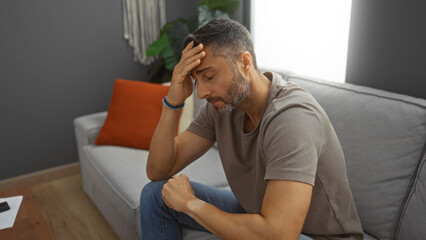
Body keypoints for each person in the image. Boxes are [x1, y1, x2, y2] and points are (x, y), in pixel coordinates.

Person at [140, 18, 364, 240]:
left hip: (313, 235)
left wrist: (191, 204)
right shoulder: (222, 107)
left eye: (209, 76)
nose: (201, 93)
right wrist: (173, 101)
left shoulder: (291, 120)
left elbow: (279, 235)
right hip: (259, 214)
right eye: (198, 80)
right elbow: (158, 171)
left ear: (244, 63)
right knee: (156, 195)